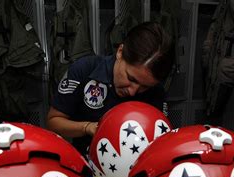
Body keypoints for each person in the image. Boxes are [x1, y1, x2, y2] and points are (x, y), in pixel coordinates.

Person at [46, 21, 174, 156]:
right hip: (86, 163)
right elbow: (53, 122)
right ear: (120, 52)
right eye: (131, 79)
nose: (133, 91)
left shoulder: (157, 91)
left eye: (145, 87)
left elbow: (162, 140)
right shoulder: (84, 70)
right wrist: (87, 127)